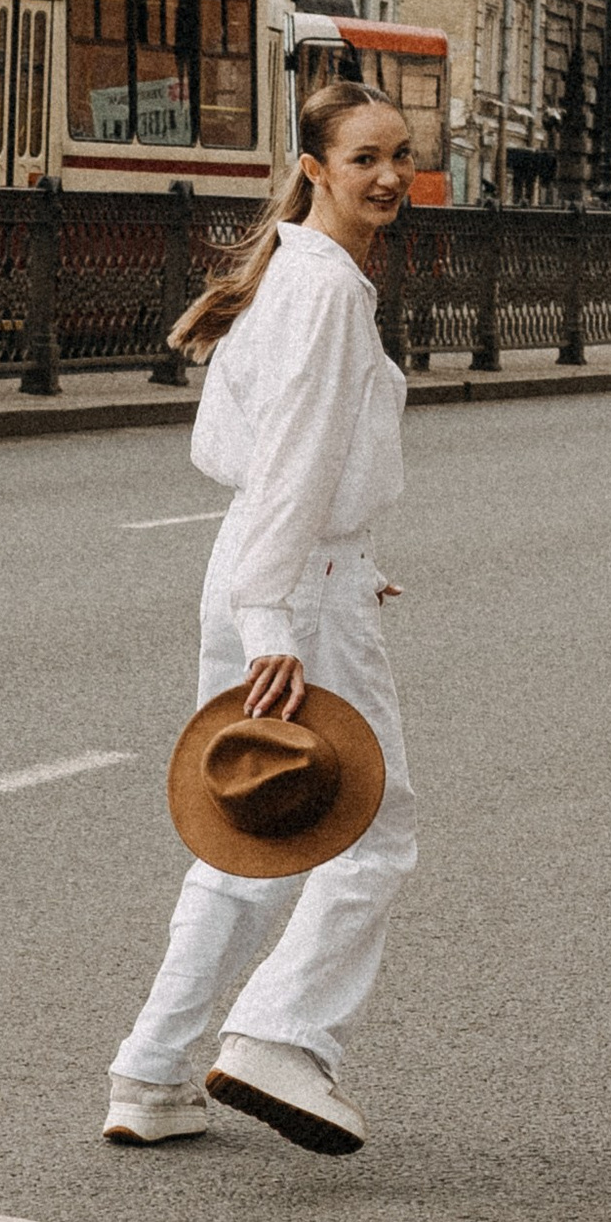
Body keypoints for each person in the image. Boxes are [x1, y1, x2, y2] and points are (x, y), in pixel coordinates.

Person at [104, 78, 418, 1158]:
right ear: (316, 166)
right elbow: (295, 459)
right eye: (366, 156)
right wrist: (285, 613)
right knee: (371, 831)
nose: (388, 176)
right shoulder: (326, 290)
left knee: (243, 830)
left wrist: (312, 569)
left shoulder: (291, 270)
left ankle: (151, 1076)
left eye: (400, 156)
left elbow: (248, 455)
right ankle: (281, 1039)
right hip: (288, 582)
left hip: (257, 565)